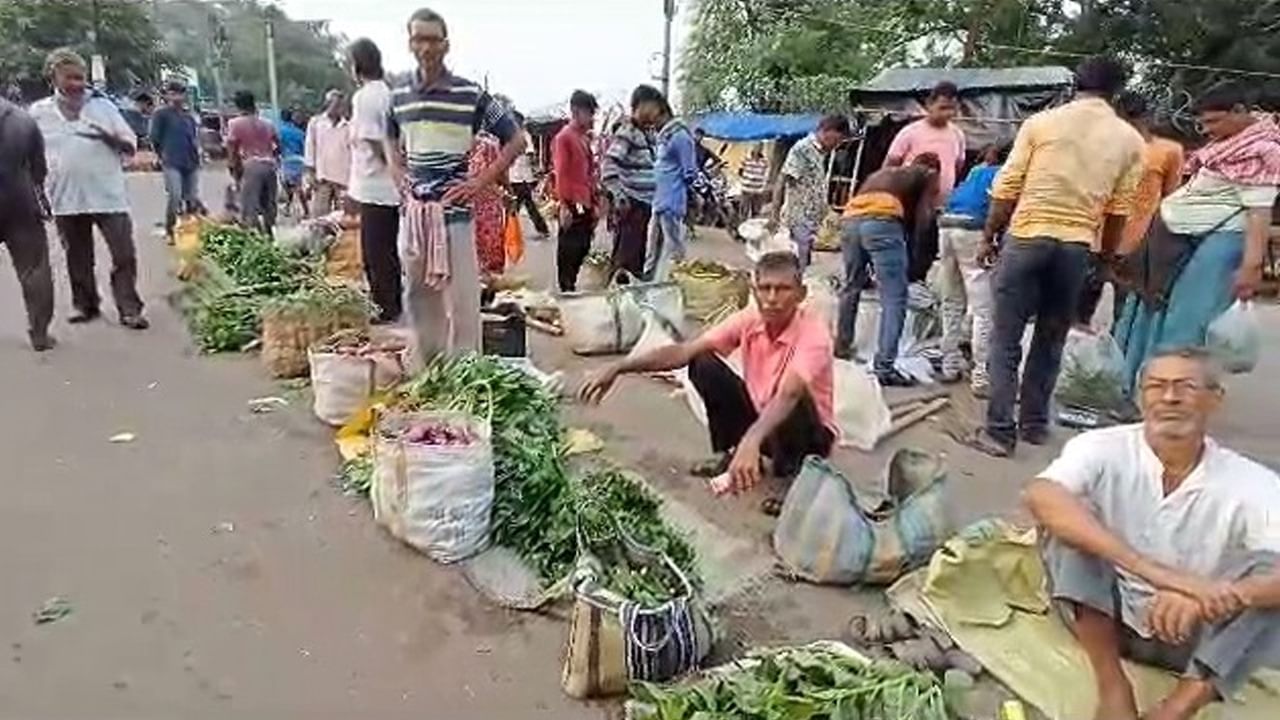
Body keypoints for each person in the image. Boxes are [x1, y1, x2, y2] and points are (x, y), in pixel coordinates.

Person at [1025, 347, 1280, 720]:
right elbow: (1040, 494)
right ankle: (1112, 686)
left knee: (1267, 579)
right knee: (1071, 527)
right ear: (1141, 397)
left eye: (1186, 387)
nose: (1170, 398)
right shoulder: (1102, 447)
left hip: (1194, 637)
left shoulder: (1251, 482)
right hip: (1102, 615)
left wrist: (1215, 597)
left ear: (1215, 399)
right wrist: (1164, 577)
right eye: (1156, 386)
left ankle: (1177, 707)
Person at [967, 56, 1144, 457]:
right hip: (1075, 246)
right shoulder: (1129, 139)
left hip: (1028, 236)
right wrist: (1105, 258)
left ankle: (998, 432)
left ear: (1075, 84)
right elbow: (1118, 209)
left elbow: (1007, 187)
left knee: (1006, 338)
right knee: (1051, 339)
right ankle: (1034, 424)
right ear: (1115, 90)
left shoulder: (1042, 124)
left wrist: (989, 235)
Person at [580, 251, 835, 498]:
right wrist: (618, 367)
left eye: (782, 289)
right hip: (765, 420)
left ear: (800, 294)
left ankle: (796, 477)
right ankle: (731, 452)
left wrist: (751, 440)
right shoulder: (750, 319)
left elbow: (789, 394)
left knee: (793, 391)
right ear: (754, 291)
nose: (771, 298)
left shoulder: (814, 334)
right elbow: (683, 351)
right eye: (764, 288)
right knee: (702, 362)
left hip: (808, 434)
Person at [1114, 82, 1279, 392]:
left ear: (1240, 112)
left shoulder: (1264, 150)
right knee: (1151, 309)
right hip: (1177, 236)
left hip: (1219, 241)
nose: (1206, 130)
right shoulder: (1228, 144)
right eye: (1202, 123)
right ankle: (1137, 384)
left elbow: (1259, 211)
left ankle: (1169, 392)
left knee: (1187, 322)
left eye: (1214, 121)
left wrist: (1251, 266)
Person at [385, 7, 525, 361]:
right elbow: (388, 136)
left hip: (457, 214)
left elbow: (516, 139)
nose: (426, 47)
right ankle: (429, 369)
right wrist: (398, 173)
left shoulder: (469, 93)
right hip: (416, 213)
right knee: (419, 296)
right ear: (410, 43)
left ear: (446, 45)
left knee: (463, 299)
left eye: (433, 40)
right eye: (419, 39)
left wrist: (479, 181)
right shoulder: (398, 93)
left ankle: (466, 371)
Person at [29, 48, 148, 330]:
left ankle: (129, 308)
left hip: (108, 195)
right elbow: (30, 155)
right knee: (77, 256)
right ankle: (85, 304)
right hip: (65, 196)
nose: (77, 84)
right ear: (52, 77)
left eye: (81, 77)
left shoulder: (103, 108)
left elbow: (130, 146)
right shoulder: (38, 113)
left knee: (124, 255)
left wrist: (108, 137)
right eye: (69, 77)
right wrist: (36, 191)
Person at [1077, 91, 1187, 328]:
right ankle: (1076, 358)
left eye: (1132, 120)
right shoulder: (1101, 148)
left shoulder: (1169, 151)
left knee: (1125, 313)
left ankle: (1120, 359)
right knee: (1079, 310)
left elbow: (1170, 198)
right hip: (1095, 240)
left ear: (1146, 118)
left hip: (1137, 245)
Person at [834, 156, 941, 386]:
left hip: (849, 220)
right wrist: (916, 261)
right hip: (882, 221)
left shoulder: (882, 174)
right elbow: (924, 219)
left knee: (852, 285)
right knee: (895, 296)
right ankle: (884, 367)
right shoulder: (928, 175)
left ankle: (841, 347)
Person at [937, 143, 1006, 394]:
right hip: (973, 230)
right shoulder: (1007, 174)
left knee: (952, 301)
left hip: (946, 225)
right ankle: (980, 376)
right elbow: (1002, 210)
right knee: (982, 309)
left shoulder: (976, 172)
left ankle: (949, 366)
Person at [347, 37, 402, 325]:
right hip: (386, 187)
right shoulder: (387, 93)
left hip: (376, 186)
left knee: (376, 252)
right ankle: (392, 302)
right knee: (387, 250)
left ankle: (386, 307)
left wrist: (392, 169)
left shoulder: (365, 97)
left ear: (358, 65)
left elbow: (376, 142)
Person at [0, 97, 57, 351]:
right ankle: (40, 332)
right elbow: (39, 168)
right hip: (19, 200)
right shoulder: (22, 119)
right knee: (34, 267)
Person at [768, 114, 851, 269]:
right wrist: (774, 214)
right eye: (838, 139)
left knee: (803, 264)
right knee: (796, 265)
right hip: (799, 220)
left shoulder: (819, 153)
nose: (837, 145)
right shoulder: (803, 149)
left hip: (810, 222)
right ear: (828, 131)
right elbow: (782, 180)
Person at [601, 85, 658, 279]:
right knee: (625, 263)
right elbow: (609, 163)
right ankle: (617, 302)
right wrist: (618, 194)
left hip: (644, 206)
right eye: (651, 107)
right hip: (632, 205)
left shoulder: (647, 134)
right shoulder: (628, 132)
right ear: (640, 106)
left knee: (635, 260)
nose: (654, 112)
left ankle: (628, 302)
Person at [643, 88, 698, 282]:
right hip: (658, 201)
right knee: (652, 251)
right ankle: (649, 283)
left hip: (672, 202)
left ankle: (678, 284)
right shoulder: (664, 137)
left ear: (664, 113)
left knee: (674, 250)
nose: (653, 123)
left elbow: (690, 171)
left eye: (655, 117)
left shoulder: (680, 137)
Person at [883, 81, 966, 204]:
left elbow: (958, 166)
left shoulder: (957, 134)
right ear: (929, 105)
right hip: (909, 200)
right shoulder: (910, 132)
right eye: (943, 108)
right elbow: (890, 164)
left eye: (952, 109)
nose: (948, 113)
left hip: (940, 203)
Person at [551, 90, 598, 291]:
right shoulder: (564, 138)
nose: (591, 118)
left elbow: (590, 172)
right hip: (572, 201)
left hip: (585, 200)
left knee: (584, 245)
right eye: (588, 113)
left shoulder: (584, 139)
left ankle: (571, 284)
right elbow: (560, 173)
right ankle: (566, 288)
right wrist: (563, 205)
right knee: (570, 247)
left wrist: (595, 202)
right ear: (576, 111)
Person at [149, 81, 203, 240]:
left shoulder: (188, 116)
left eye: (179, 93)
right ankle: (170, 230)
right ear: (167, 95)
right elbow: (154, 138)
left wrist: (199, 154)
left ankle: (191, 231)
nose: (176, 97)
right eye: (172, 93)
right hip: (171, 160)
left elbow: (193, 138)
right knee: (175, 196)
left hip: (191, 161)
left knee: (192, 198)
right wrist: (159, 155)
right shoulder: (161, 114)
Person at [225, 90, 280, 235]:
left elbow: (232, 148)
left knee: (249, 206)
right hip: (269, 165)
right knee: (269, 205)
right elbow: (278, 145)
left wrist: (234, 169)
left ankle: (252, 237)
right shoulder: (267, 124)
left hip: (251, 165)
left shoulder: (234, 123)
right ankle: (270, 234)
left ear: (238, 106)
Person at [305, 89, 351, 217]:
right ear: (327, 104)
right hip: (322, 177)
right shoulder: (316, 123)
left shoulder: (348, 126)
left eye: (340, 105)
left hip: (344, 179)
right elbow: (310, 147)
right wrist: (310, 172)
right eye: (334, 104)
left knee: (343, 216)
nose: (337, 108)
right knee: (319, 215)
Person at [469, 132, 507, 277]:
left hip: (488, 203)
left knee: (490, 242)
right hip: (465, 205)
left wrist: (508, 191)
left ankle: (491, 280)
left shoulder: (488, 146)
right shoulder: (453, 148)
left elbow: (500, 171)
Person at [508, 111, 549, 239]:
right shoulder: (511, 135)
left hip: (522, 177)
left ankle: (509, 232)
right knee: (524, 204)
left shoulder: (525, 135)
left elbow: (531, 154)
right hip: (514, 176)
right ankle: (541, 229)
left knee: (519, 205)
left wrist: (535, 169)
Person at [278, 109, 308, 218]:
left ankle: (288, 207)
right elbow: (304, 147)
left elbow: (278, 146)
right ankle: (305, 209)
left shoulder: (280, 131)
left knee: (287, 186)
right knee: (297, 186)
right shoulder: (299, 132)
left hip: (287, 161)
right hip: (299, 161)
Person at [739, 143, 770, 218]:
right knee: (744, 210)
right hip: (746, 188)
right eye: (755, 147)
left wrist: (763, 186)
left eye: (759, 147)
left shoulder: (764, 162)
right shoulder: (746, 159)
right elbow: (740, 171)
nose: (757, 149)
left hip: (758, 190)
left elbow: (766, 175)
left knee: (756, 211)